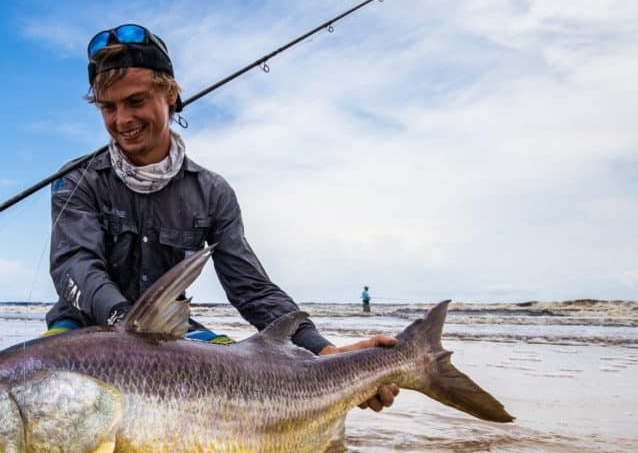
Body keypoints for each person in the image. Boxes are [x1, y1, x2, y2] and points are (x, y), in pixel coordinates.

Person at [44, 24, 397, 412]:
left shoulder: (211, 193)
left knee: (247, 371)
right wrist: (125, 320)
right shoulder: (76, 180)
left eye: (136, 101)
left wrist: (325, 350)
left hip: (170, 335)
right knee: (44, 389)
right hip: (82, 329)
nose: (122, 119)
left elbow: (251, 289)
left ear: (171, 94)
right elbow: (73, 265)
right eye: (108, 108)